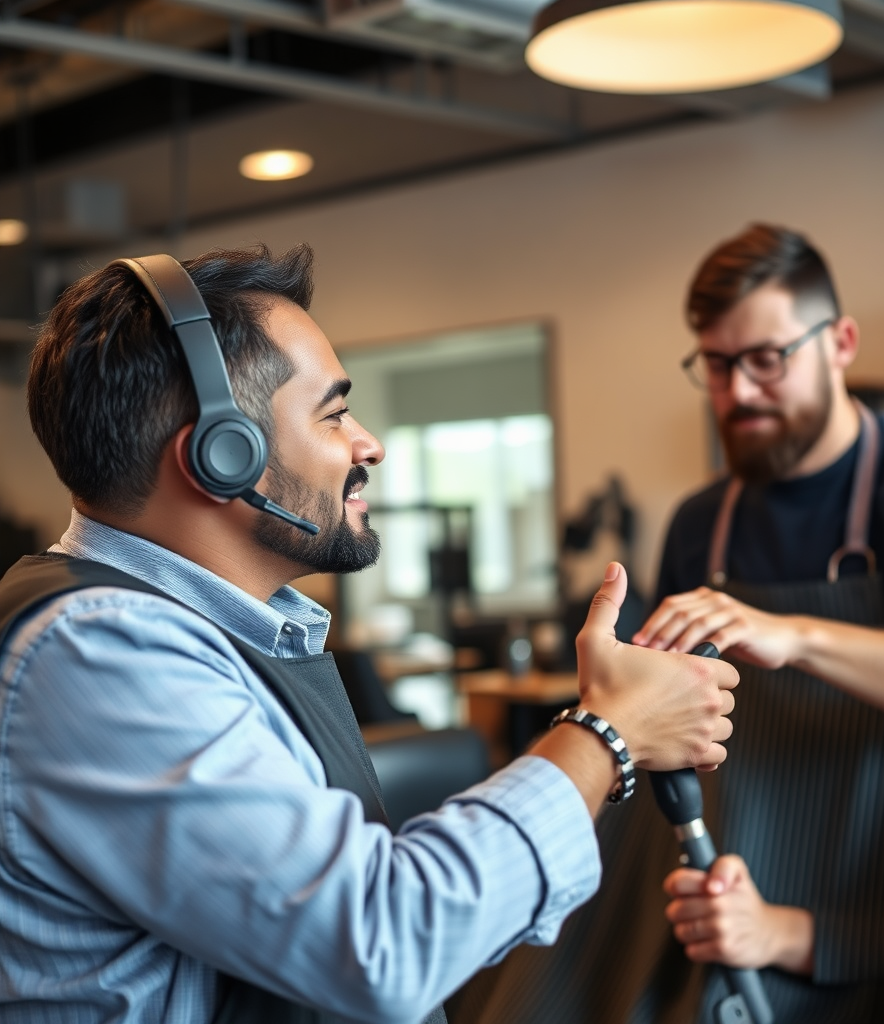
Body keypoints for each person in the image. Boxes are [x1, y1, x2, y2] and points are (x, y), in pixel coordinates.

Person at [0, 243, 739, 1024]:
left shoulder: (199, 637)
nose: (369, 443)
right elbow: (382, 942)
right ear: (223, 456)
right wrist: (606, 735)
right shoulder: (96, 653)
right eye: (334, 412)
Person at [631, 223, 884, 1023]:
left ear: (839, 342)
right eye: (716, 363)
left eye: (767, 360)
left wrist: (798, 635)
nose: (737, 392)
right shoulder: (698, 525)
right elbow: (667, 734)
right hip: (743, 919)